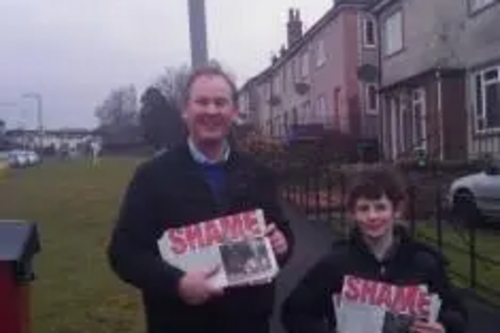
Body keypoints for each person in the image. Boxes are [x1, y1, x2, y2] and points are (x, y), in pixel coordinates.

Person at [107, 65, 294, 333]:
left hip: (248, 323)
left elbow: (282, 233)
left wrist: (283, 245)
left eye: (220, 102)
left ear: (234, 111)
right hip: (180, 323)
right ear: (185, 111)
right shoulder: (152, 176)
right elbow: (124, 252)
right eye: (202, 102)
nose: (211, 111)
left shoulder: (258, 173)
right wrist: (177, 283)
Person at [281, 166, 467, 333]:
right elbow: (294, 313)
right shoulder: (335, 264)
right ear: (353, 213)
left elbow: (457, 313)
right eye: (363, 208)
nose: (372, 216)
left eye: (380, 207)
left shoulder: (423, 262)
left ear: (396, 210)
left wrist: (443, 326)